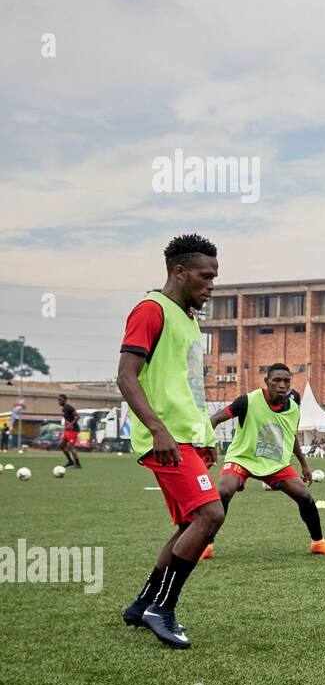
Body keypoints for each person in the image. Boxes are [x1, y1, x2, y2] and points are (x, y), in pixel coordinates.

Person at [118, 234, 224, 649]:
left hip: (187, 438)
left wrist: (206, 433)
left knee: (188, 524)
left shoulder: (188, 318)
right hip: (166, 440)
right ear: (179, 272)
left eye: (215, 277)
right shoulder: (150, 310)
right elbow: (126, 376)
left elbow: (189, 387)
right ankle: (162, 608)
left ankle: (142, 603)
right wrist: (159, 429)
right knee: (210, 516)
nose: (212, 285)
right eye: (206, 276)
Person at [205, 364, 325, 560]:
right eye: (277, 380)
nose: (282, 385)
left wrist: (304, 465)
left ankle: (318, 542)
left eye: (286, 381)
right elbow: (214, 419)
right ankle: (206, 544)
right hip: (242, 458)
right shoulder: (248, 401)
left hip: (275, 463)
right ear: (267, 381)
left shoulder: (294, 408)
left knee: (304, 495)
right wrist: (209, 446)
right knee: (224, 491)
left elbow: (291, 436)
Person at [56, 394, 82, 469]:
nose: (59, 401)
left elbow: (77, 416)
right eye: (58, 400)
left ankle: (77, 464)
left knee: (71, 447)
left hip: (73, 430)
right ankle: (70, 461)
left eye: (60, 400)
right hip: (67, 430)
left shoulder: (69, 408)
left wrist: (71, 424)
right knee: (61, 445)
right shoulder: (63, 409)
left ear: (65, 400)